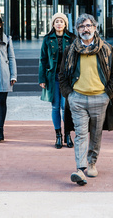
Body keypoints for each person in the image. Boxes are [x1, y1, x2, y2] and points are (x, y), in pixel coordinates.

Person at [59, 13, 113, 186]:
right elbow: (62, 75)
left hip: (99, 98)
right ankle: (80, 169)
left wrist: (107, 95)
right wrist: (69, 95)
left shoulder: (106, 49)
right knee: (80, 134)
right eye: (81, 27)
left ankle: (92, 163)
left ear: (95, 28)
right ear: (77, 30)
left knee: (95, 133)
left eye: (88, 26)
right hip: (77, 99)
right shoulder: (71, 50)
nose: (85, 29)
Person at [39, 13, 75, 149]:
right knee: (55, 107)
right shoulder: (47, 39)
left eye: (61, 21)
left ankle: (67, 135)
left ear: (65, 24)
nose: (59, 23)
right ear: (53, 24)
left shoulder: (72, 38)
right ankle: (58, 136)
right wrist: (41, 78)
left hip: (67, 78)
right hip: (52, 77)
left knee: (65, 107)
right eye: (56, 21)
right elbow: (42, 59)